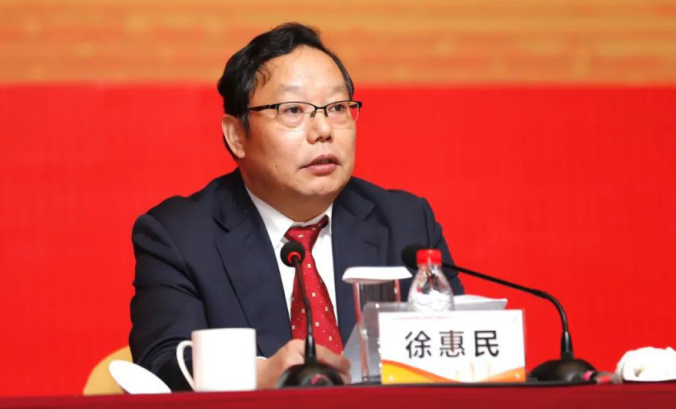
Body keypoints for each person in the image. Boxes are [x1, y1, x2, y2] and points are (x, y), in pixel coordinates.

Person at [130, 23, 464, 390]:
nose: (323, 130)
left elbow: (458, 349)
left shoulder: (405, 224)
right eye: (293, 110)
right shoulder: (180, 236)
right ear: (237, 135)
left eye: (337, 108)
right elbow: (160, 365)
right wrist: (257, 377)